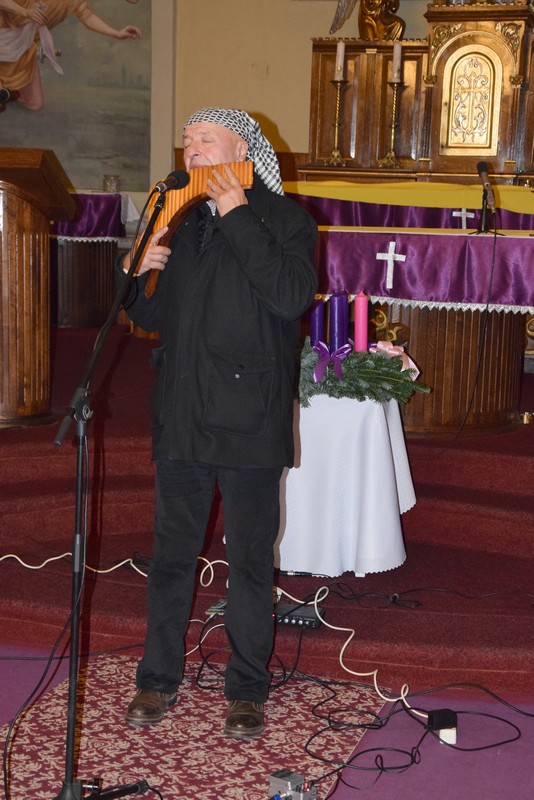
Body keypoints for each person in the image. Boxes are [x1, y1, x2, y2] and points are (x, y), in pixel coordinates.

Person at [118, 108, 318, 738]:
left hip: (250, 417)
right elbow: (154, 319)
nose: (192, 150)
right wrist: (138, 274)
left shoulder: (286, 221)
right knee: (171, 557)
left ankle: (247, 690)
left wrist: (236, 214)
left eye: (207, 139)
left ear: (244, 153)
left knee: (250, 560)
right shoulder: (182, 221)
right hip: (183, 413)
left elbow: (290, 297)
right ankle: (157, 679)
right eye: (187, 141)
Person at [0, 0, 141, 111]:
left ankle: (8, 93)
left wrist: (116, 33)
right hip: (3, 32)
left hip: (23, 47)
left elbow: (87, 16)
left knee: (35, 103)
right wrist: (25, 12)